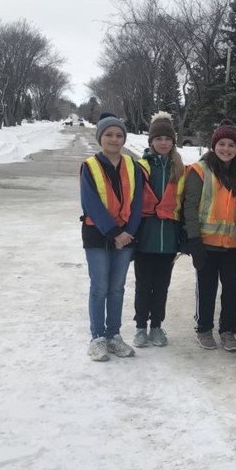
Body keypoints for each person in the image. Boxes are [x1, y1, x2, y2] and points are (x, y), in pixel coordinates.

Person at [80, 114, 144, 361]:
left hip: (127, 236)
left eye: (119, 135)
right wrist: (115, 233)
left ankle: (113, 335)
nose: (114, 139)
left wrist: (128, 231)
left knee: (117, 288)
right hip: (98, 235)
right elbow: (91, 202)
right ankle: (97, 337)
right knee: (99, 287)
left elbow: (138, 201)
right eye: (109, 134)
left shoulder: (132, 165)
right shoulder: (90, 166)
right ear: (100, 138)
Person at [182, 120, 236, 353]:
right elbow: (190, 207)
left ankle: (227, 330)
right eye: (222, 144)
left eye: (231, 145)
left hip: (232, 245)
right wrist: (194, 241)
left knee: (232, 290)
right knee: (206, 289)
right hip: (206, 243)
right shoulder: (199, 171)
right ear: (213, 145)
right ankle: (204, 328)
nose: (226, 149)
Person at [132, 112, 185, 348]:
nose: (163, 142)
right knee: (143, 285)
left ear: (173, 141)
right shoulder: (141, 167)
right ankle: (141, 327)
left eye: (167, 138)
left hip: (169, 241)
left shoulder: (180, 168)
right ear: (151, 142)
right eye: (158, 138)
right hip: (145, 238)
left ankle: (157, 326)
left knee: (162, 286)